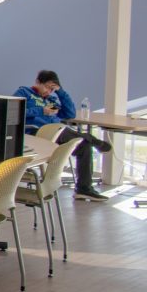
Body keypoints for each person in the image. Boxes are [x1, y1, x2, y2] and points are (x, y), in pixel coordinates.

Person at [14, 70, 111, 201]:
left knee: (84, 146)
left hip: (58, 132)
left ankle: (84, 189)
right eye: (47, 87)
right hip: (37, 132)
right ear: (38, 82)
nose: (48, 91)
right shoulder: (24, 93)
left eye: (52, 89)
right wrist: (41, 110)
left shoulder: (51, 100)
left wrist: (60, 92)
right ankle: (96, 142)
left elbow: (70, 114)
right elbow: (15, 112)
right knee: (77, 136)